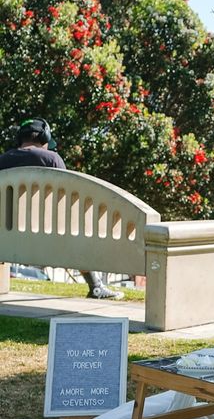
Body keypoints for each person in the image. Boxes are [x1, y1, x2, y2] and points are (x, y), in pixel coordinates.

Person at [0, 118, 123, 300]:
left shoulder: (2, 160)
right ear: (45, 137)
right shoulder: (52, 159)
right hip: (50, 236)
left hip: (6, 236)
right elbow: (65, 198)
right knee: (77, 226)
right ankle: (95, 286)